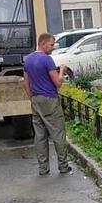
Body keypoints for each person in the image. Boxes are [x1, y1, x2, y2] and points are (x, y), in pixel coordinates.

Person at [23, 32, 72, 176]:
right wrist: (62, 70)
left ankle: (43, 168)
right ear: (43, 43)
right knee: (58, 133)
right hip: (50, 100)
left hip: (36, 100)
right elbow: (58, 83)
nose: (53, 48)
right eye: (51, 45)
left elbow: (26, 83)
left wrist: (31, 98)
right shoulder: (47, 60)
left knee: (40, 135)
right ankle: (63, 166)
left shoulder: (28, 60)